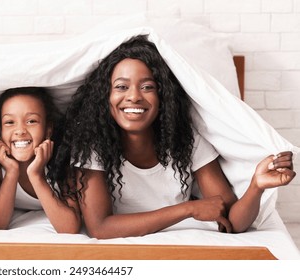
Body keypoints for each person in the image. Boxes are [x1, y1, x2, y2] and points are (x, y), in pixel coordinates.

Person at [51, 35, 296, 239]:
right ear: (105, 96)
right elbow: (100, 228)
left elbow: (233, 221)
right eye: (121, 87)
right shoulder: (92, 147)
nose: (134, 97)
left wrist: (256, 187)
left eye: (147, 87)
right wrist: (188, 209)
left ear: (163, 98)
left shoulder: (187, 142)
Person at [0, 87, 81, 233]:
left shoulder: (62, 155)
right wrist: (11, 172)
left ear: (47, 130)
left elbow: (69, 228)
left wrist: (36, 175)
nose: (20, 130)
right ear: (1, 131)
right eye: (10, 122)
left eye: (31, 121)